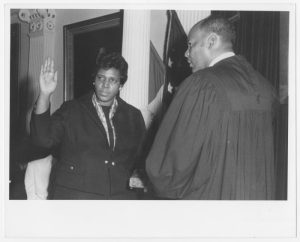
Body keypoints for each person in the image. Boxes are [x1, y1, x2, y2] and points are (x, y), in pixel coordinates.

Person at [145, 15, 278, 200]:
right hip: (255, 207)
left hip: (212, 203)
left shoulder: (201, 84)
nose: (185, 53)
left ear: (212, 41)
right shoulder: (265, 86)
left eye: (190, 45)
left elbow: (173, 167)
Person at [30, 52, 146, 199]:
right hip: (76, 198)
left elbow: (141, 158)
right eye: (101, 78)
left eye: (112, 80)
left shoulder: (133, 116)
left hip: (120, 199)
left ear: (121, 85)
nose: (105, 85)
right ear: (94, 80)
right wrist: (45, 94)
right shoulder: (71, 110)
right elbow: (42, 140)